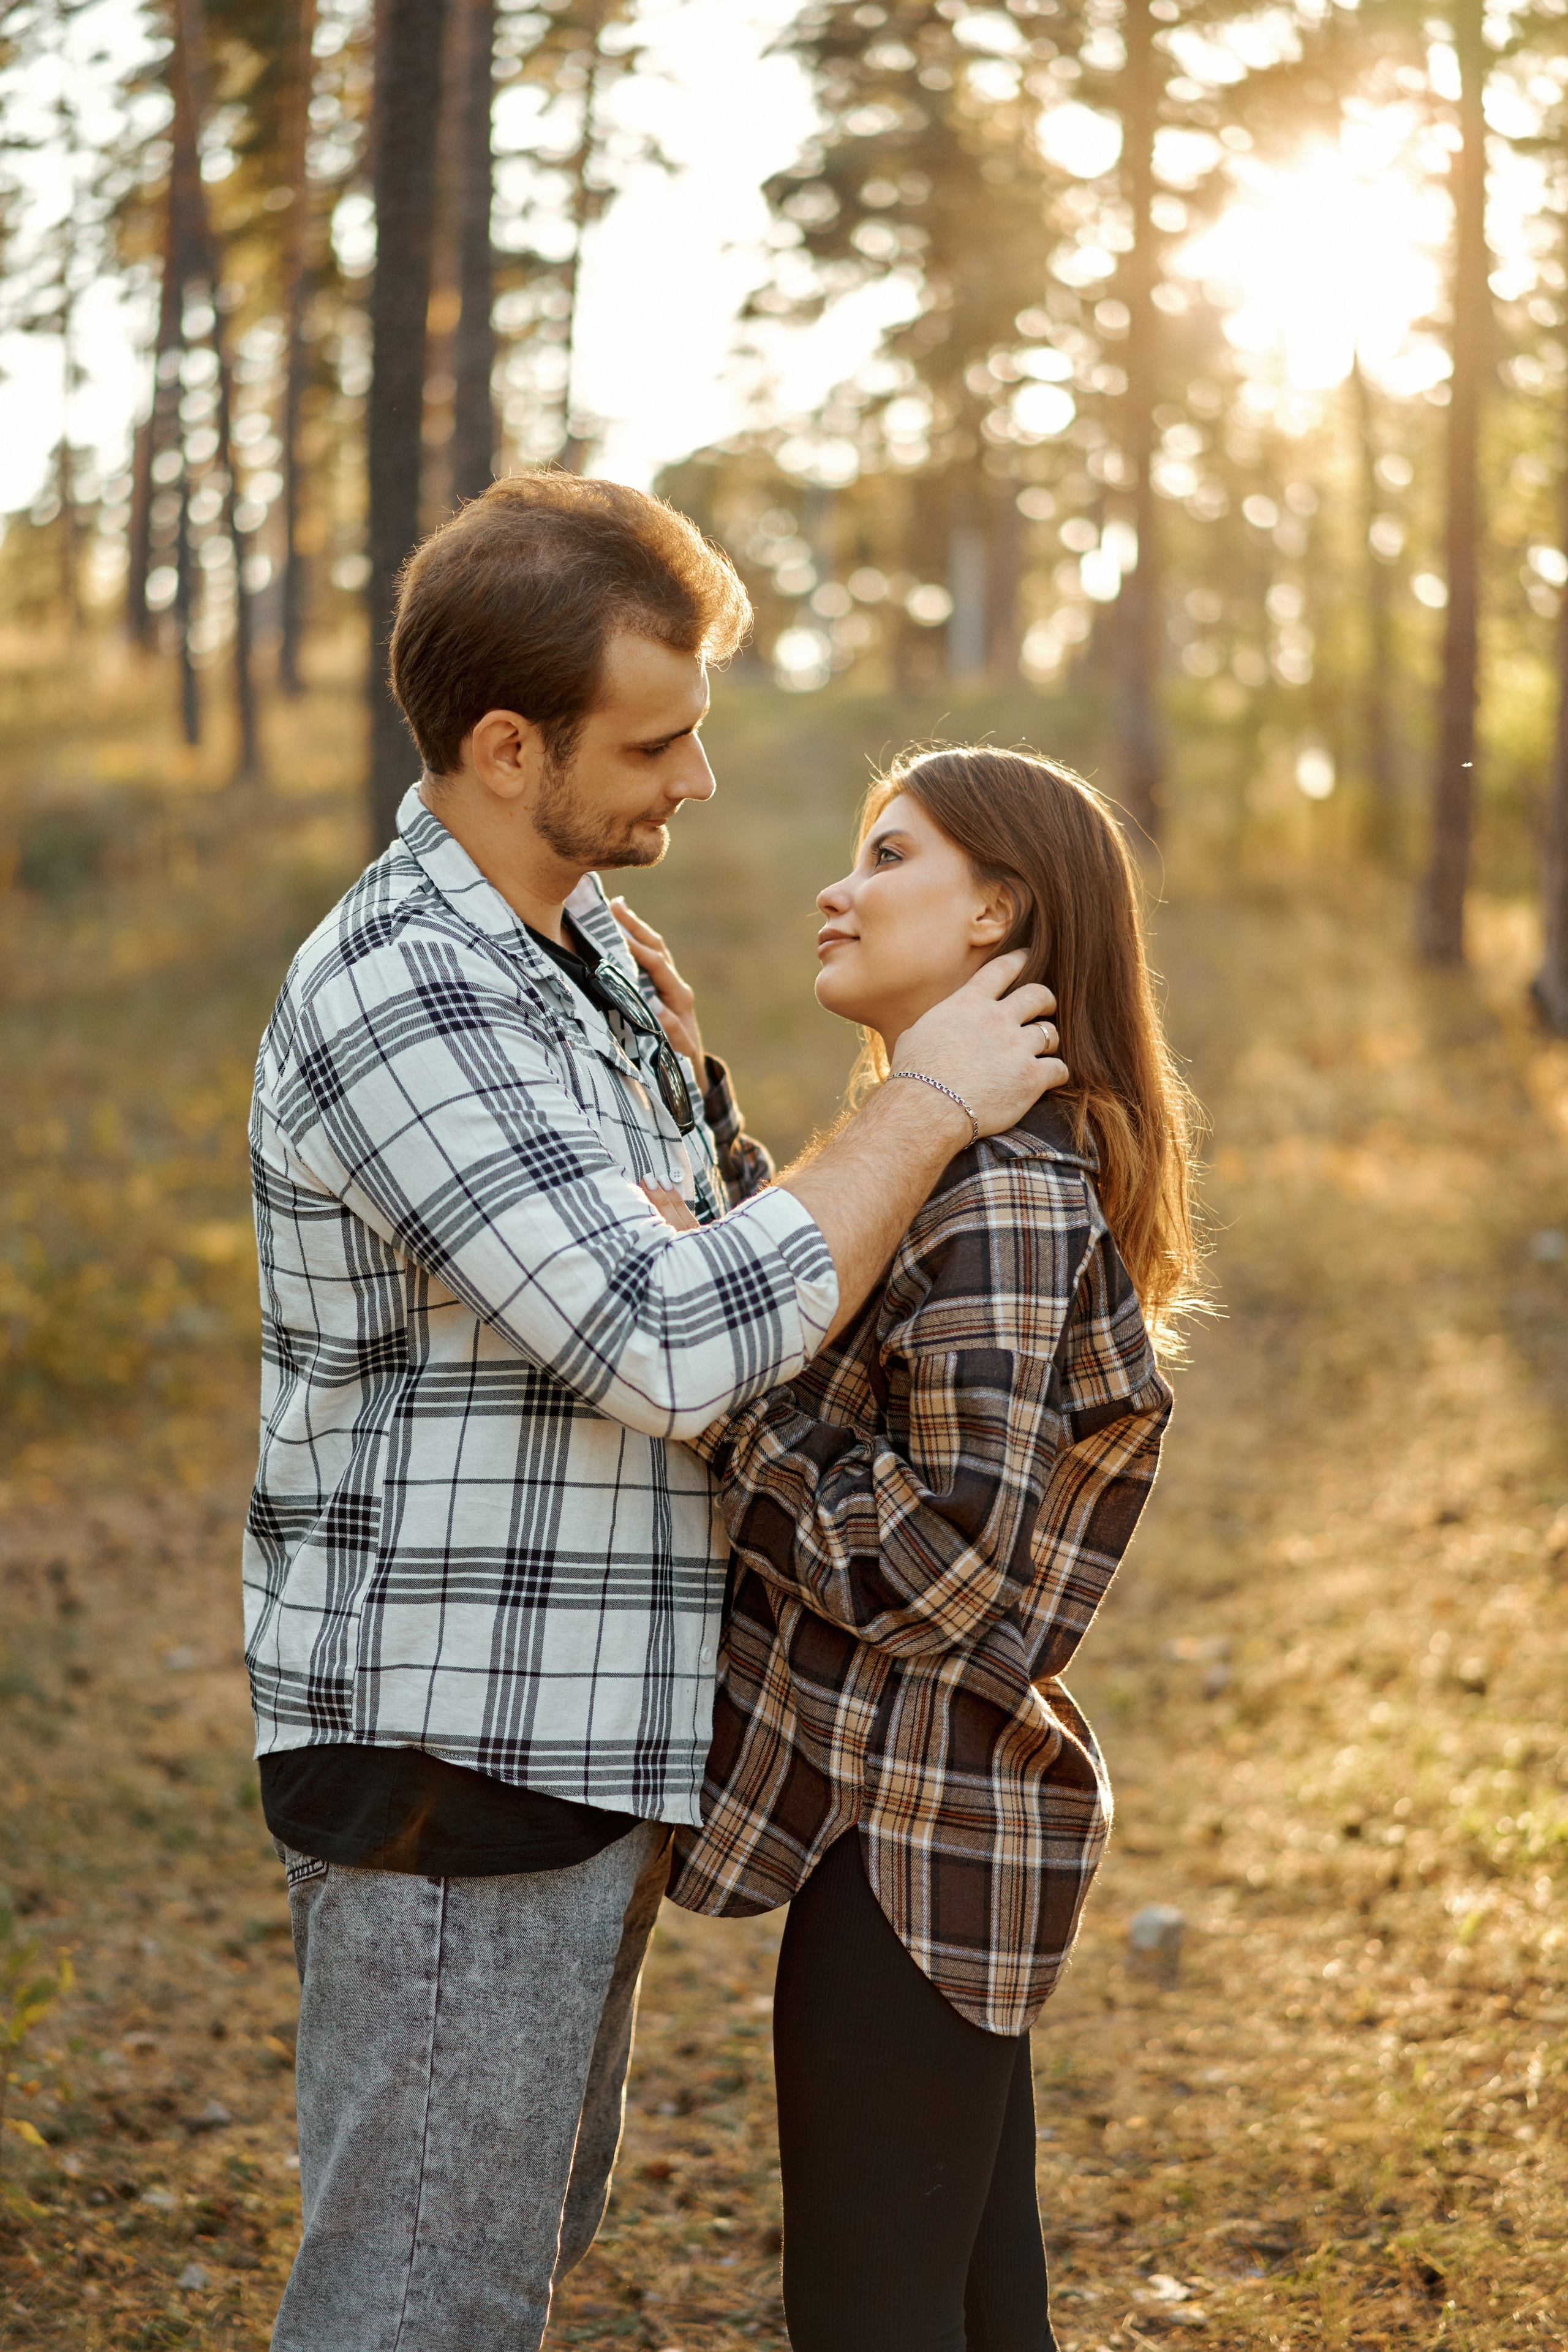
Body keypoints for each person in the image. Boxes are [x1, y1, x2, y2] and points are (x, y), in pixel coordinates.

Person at [244, 473, 1066, 2352]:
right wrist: (923, 1102)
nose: (700, 780)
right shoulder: (408, 993)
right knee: (420, 2305)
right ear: (506, 745)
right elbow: (674, 1339)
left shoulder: (588, 956)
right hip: (454, 1763)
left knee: (496, 2263)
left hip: (577, 1744)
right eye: (659, 737)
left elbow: (732, 1263)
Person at [654, 746, 1202, 2352]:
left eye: (889, 855)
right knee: (972, 2311)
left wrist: (712, 1414)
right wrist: (700, 1105)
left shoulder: (1009, 1201)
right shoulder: (963, 1175)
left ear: (998, 916)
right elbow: (829, 1326)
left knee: (879, 2318)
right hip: (920, 1829)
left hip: (917, 1845)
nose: (841, 886)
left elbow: (946, 1569)